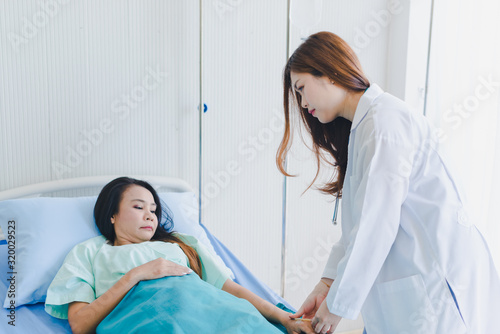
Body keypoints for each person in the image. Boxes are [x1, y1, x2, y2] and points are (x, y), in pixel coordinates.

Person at [276, 31, 500, 334]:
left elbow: (374, 225)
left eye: (301, 89)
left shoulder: (385, 124)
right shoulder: (365, 128)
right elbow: (360, 227)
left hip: (437, 283)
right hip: (413, 286)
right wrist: (327, 285)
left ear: (328, 73)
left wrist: (336, 306)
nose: (302, 104)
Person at [45, 176, 314, 334]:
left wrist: (282, 318)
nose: (150, 214)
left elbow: (230, 289)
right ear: (112, 215)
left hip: (216, 313)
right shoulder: (88, 252)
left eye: (153, 209)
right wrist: (137, 275)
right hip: (146, 320)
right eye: (139, 207)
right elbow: (80, 324)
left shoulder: (181, 244)